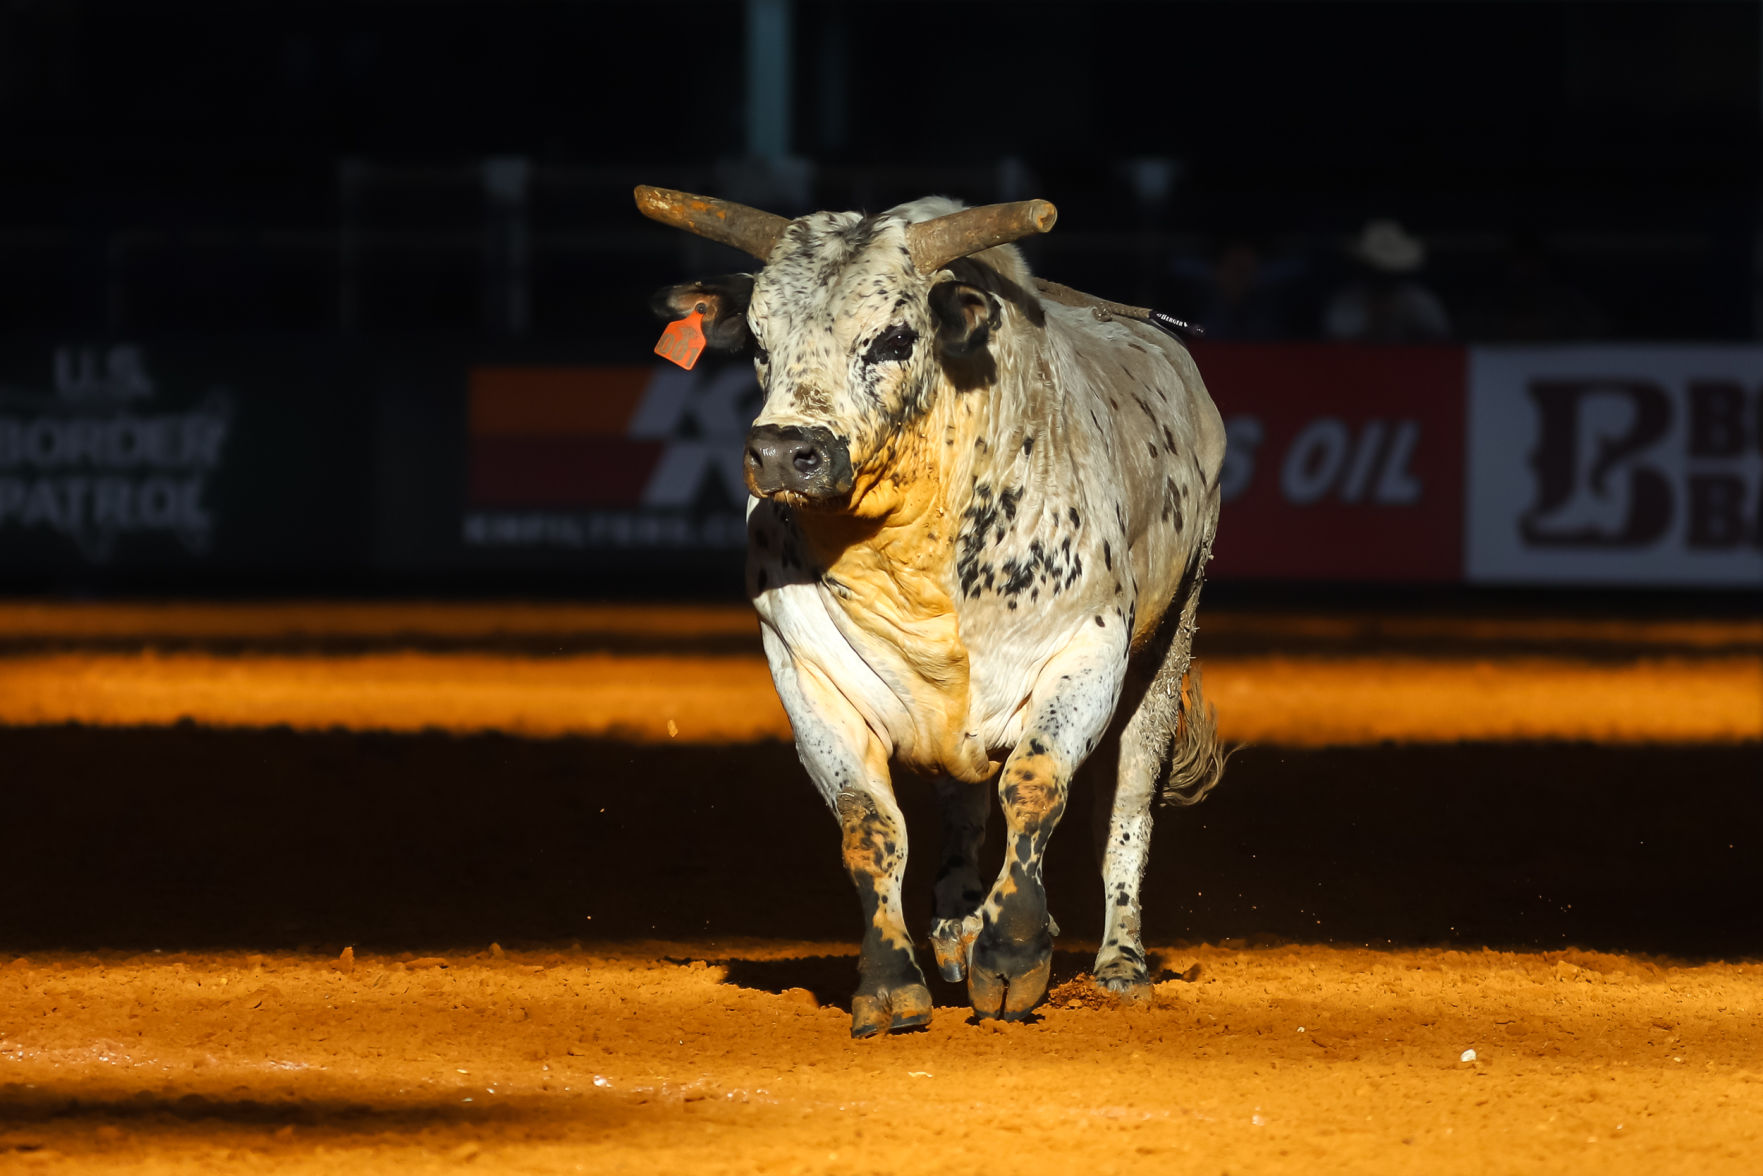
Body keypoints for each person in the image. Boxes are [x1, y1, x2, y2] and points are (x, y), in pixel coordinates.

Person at [1323, 218, 1451, 343]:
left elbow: (1442, 340)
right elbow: (1335, 345)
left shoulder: (1418, 300)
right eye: (1376, 271)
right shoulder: (1346, 301)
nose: (1383, 277)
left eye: (1387, 272)